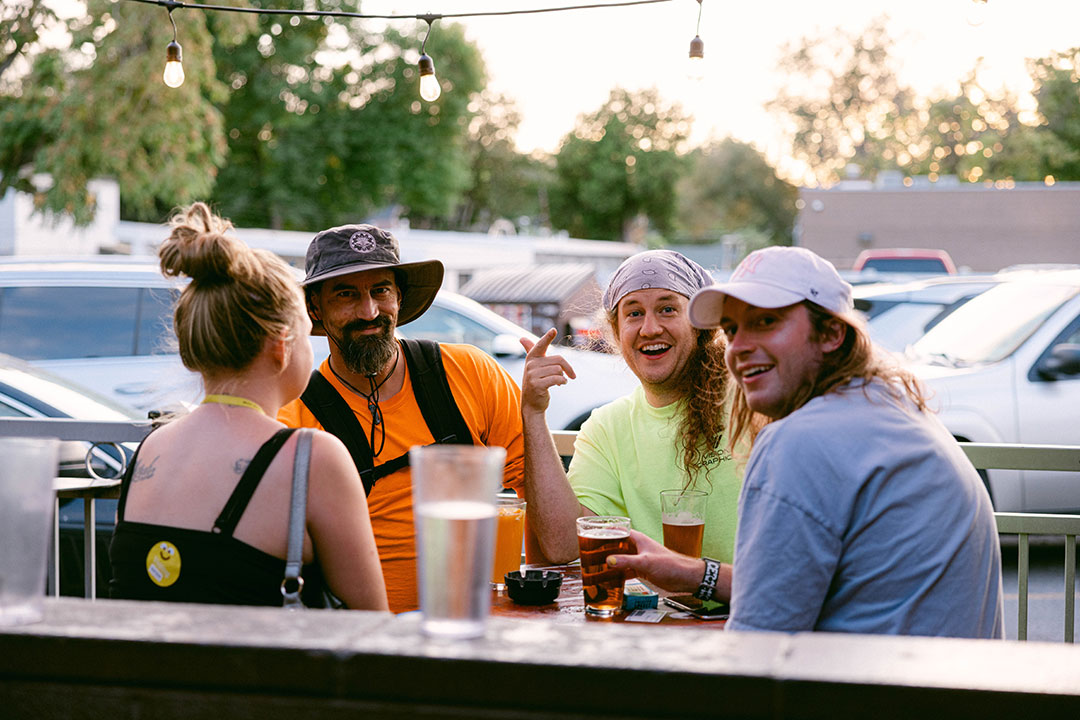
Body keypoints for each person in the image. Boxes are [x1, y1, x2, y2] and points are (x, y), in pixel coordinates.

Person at [612, 246, 1004, 638]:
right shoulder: (890, 404)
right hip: (942, 672)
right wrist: (695, 573)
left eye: (765, 321)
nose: (739, 347)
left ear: (831, 333)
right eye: (731, 330)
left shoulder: (799, 442)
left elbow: (757, 646)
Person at [109, 203, 387, 611]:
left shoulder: (150, 449)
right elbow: (373, 623)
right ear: (281, 346)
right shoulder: (311, 459)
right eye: (306, 333)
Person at [278, 224, 525, 612]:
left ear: (399, 296)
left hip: (479, 624)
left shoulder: (472, 372)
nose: (369, 311)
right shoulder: (293, 413)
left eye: (381, 290)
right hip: (365, 635)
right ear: (315, 309)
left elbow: (537, 509)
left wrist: (536, 415)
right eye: (346, 294)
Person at [521, 249, 741, 564]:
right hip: (652, 599)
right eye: (634, 313)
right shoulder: (607, 427)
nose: (650, 328)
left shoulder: (749, 401)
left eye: (667, 309)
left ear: (700, 324)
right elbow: (565, 544)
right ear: (616, 331)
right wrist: (533, 413)